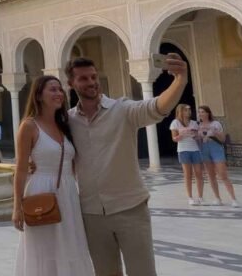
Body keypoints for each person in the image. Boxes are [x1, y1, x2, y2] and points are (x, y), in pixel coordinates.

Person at [67, 54, 188, 276]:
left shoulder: (121, 110)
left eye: (94, 76)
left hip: (130, 209)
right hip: (92, 214)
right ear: (71, 83)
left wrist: (180, 80)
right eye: (83, 78)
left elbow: (157, 107)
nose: (92, 82)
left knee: (142, 272)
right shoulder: (68, 120)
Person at [13, 75, 95, 276]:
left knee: (69, 245)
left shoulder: (65, 125)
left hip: (67, 193)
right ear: (39, 95)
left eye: (60, 90)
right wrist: (17, 206)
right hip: (41, 190)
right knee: (44, 249)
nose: (59, 94)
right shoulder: (29, 126)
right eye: (52, 89)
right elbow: (21, 168)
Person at [198, 105, 239, 207]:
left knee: (223, 174)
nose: (200, 114)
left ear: (208, 113)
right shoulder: (198, 125)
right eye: (199, 112)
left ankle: (234, 199)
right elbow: (197, 139)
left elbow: (223, 139)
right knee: (210, 175)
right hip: (204, 149)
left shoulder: (216, 124)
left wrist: (213, 131)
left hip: (216, 148)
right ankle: (217, 198)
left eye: (203, 112)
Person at [170, 104, 204, 206]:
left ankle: (200, 197)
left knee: (199, 173)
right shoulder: (175, 123)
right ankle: (190, 197)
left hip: (195, 149)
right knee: (187, 174)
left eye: (189, 110)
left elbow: (199, 137)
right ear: (180, 111)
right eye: (185, 110)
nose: (188, 112)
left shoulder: (194, 123)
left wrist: (196, 135)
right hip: (183, 150)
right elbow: (174, 139)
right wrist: (182, 135)